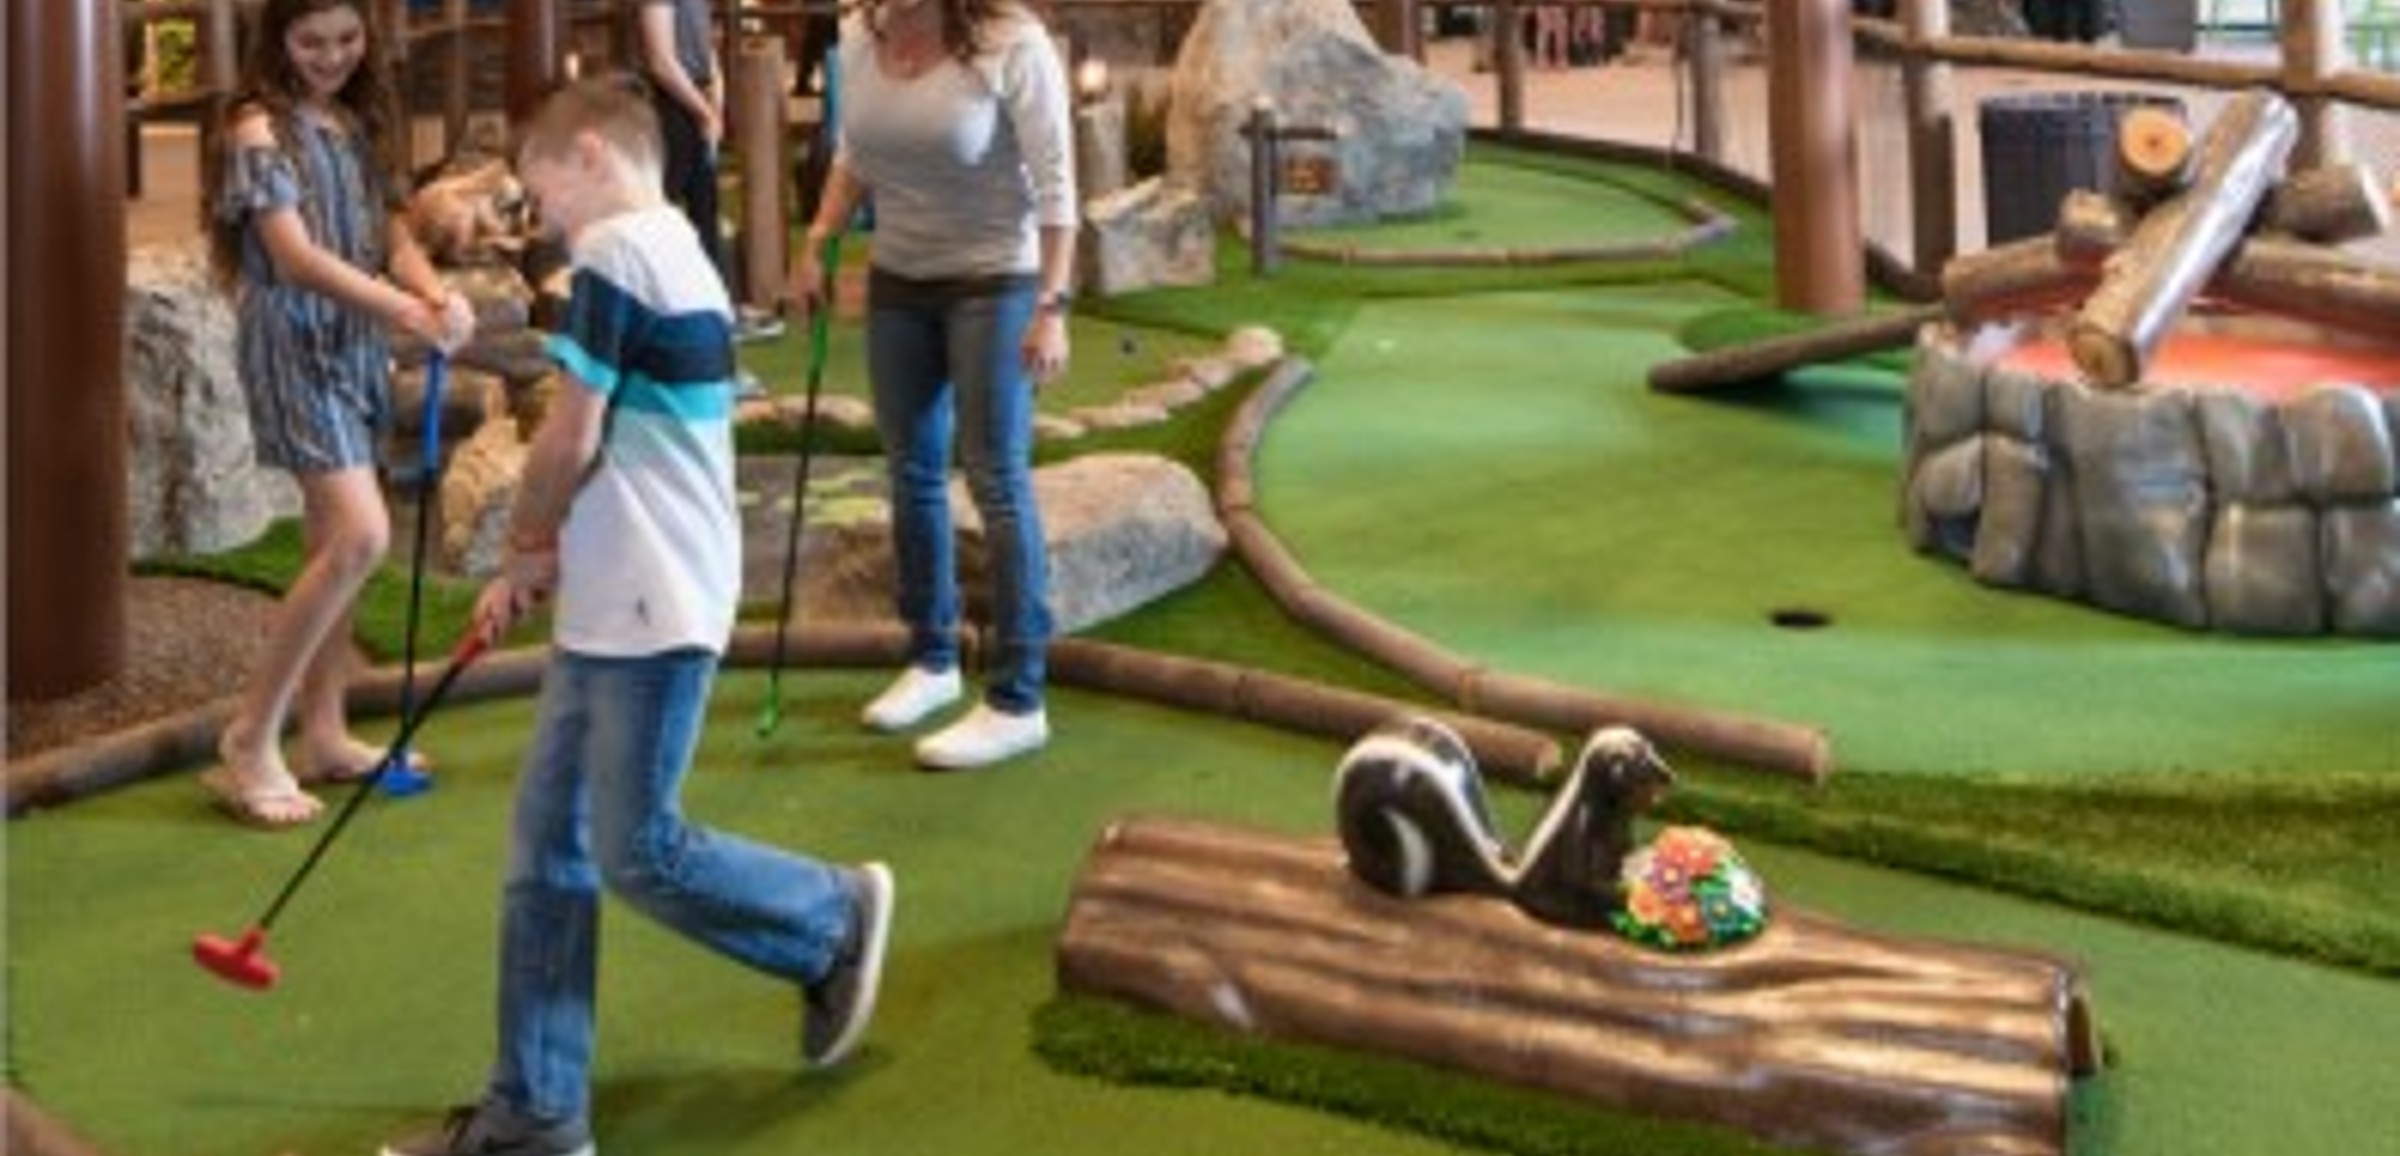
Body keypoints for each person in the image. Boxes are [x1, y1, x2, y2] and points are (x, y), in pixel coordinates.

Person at [380, 75, 895, 1156]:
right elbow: (622, 447)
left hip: (654, 606)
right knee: (546, 855)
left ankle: (828, 916)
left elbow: (571, 434)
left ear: (594, 161)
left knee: (636, 848)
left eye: (542, 191)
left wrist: (523, 542)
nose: (543, 216)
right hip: (617, 602)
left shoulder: (619, 252)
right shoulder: (675, 253)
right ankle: (535, 1112)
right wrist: (559, 551)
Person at [203, 0, 473, 828]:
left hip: (352, 340)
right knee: (361, 536)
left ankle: (323, 729)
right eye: (310, 41)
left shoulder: (352, 121)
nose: (330, 57)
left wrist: (433, 290)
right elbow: (294, 254)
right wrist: (403, 311)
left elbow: (389, 231)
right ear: (276, 39)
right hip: (295, 340)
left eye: (347, 40)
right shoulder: (257, 126)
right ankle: (250, 738)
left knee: (337, 543)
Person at [794, 0, 1076, 770]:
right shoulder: (859, 36)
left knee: (995, 476)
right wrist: (819, 237)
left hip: (998, 280)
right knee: (912, 471)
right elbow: (854, 152)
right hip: (901, 280)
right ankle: (933, 657)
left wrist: (1051, 306)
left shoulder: (1013, 45)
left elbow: (1056, 189)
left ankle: (1020, 698)